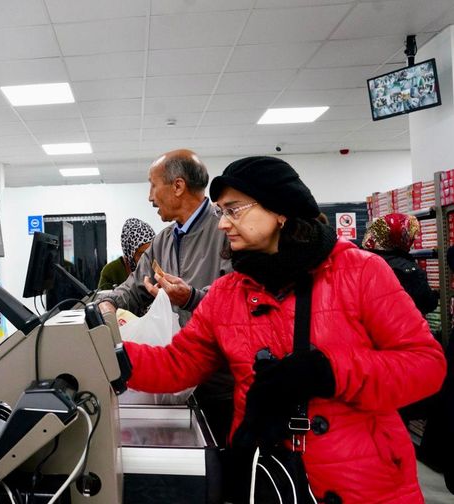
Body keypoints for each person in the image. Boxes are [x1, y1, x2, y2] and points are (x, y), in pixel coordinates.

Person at [124, 156, 446, 502]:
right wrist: (106, 358)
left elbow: (426, 365)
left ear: (280, 211)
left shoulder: (361, 272)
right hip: (270, 479)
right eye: (221, 212)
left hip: (365, 483)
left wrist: (330, 372)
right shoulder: (226, 295)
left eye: (234, 210)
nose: (222, 225)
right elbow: (177, 364)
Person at [97, 149, 233, 447]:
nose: (149, 196)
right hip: (174, 380)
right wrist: (103, 303)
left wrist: (191, 297)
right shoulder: (162, 241)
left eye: (152, 184)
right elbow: (131, 290)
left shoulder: (225, 231)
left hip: (219, 386)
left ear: (178, 186)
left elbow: (233, 296)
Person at [362, 213, 438, 315]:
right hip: (402, 326)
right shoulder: (408, 270)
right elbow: (427, 304)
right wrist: (435, 295)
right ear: (400, 238)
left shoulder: (360, 261)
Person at [97, 217, 155, 290]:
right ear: (129, 253)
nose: (148, 257)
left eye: (151, 252)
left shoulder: (157, 268)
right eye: (141, 254)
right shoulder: (110, 272)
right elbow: (102, 299)